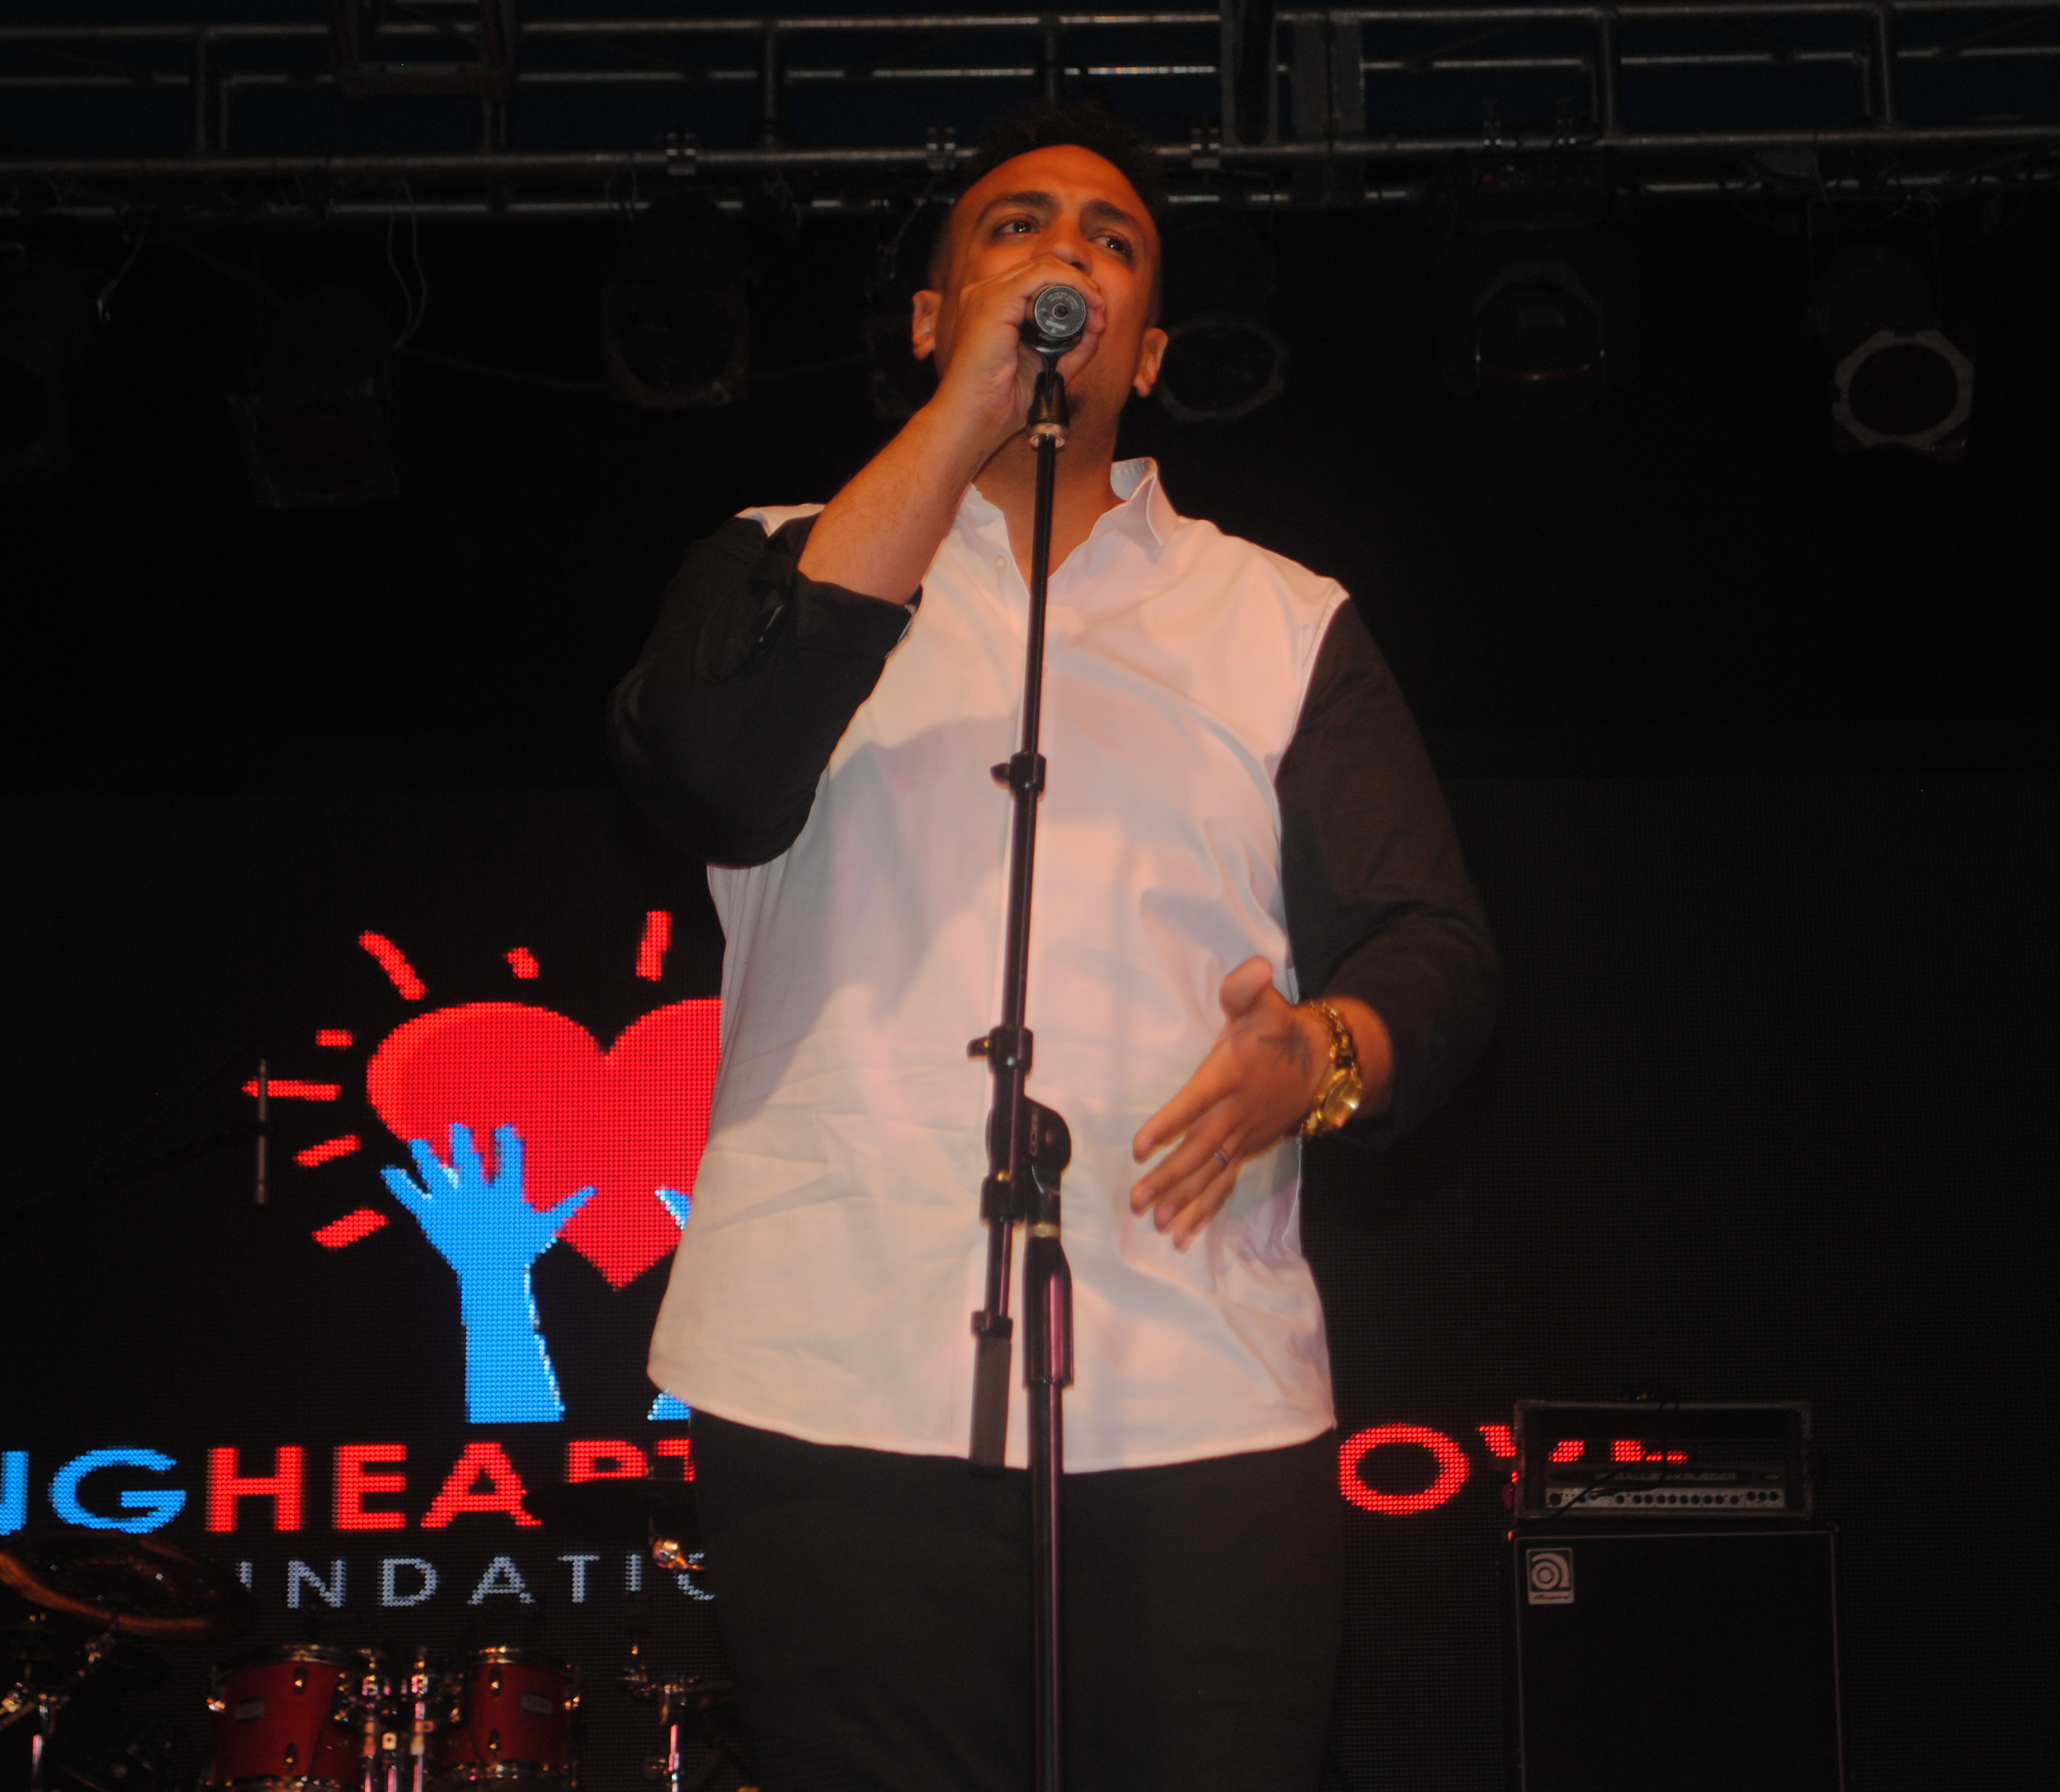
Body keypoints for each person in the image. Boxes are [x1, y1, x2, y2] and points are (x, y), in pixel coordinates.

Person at [608, 101, 1499, 1792]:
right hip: (826, 1364)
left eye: (1110, 238)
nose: (1063, 251)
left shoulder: (1277, 617)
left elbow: (1432, 944)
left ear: (1146, 351)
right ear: (931, 317)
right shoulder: (771, 560)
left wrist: (1319, 1057)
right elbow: (708, 779)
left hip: (1196, 1381)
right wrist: (963, 422)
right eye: (1013, 227)